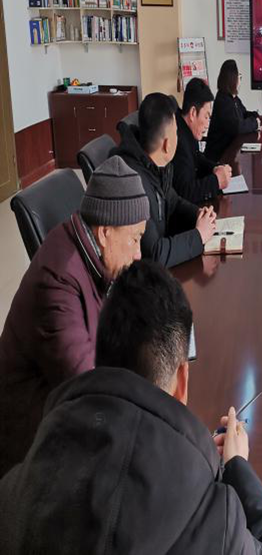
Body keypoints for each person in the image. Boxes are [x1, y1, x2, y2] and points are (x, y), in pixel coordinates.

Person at [0, 260, 262, 555]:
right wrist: (237, 466)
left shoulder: (14, 492)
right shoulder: (214, 520)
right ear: (182, 380)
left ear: (100, 355)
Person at [0, 156, 150, 478]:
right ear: (105, 232)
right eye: (135, 238)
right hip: (31, 442)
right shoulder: (57, 282)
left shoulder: (91, 252)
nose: (138, 253)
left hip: (63, 411)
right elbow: (89, 391)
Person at [112, 92, 217, 268]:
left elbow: (173, 202)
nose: (179, 136)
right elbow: (154, 254)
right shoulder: (132, 182)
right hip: (143, 275)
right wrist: (199, 236)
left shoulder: (155, 164)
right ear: (167, 144)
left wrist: (199, 214)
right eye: (176, 132)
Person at [173, 78, 233, 204]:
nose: (207, 124)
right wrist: (216, 181)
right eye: (206, 117)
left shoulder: (186, 128)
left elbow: (197, 158)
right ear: (193, 113)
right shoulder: (178, 141)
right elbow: (184, 192)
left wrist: (215, 168)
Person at [205, 59, 261, 162]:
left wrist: (255, 116)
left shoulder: (233, 98)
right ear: (232, 79)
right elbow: (237, 127)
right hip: (218, 157)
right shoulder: (223, 101)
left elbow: (244, 113)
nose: (240, 80)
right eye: (239, 76)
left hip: (230, 150)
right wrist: (255, 123)